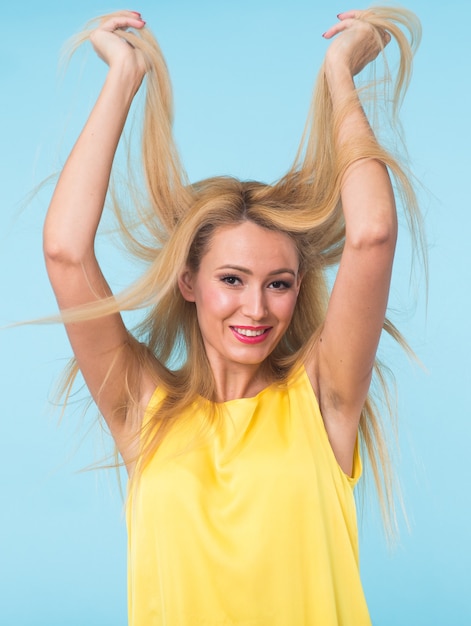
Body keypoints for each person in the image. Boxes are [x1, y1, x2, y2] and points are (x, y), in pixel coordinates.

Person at [43, 7, 422, 625]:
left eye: (279, 283)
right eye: (232, 280)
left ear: (300, 290)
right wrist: (123, 78)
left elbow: (373, 233)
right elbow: (64, 251)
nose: (256, 307)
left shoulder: (324, 396)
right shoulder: (143, 411)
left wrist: (340, 74)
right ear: (188, 283)